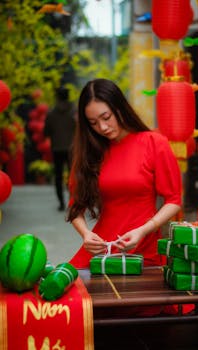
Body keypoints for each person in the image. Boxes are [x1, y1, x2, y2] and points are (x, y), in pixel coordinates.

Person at [67, 78, 182, 268]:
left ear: (119, 108)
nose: (102, 128)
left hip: (142, 249)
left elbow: (174, 200)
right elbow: (75, 207)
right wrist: (86, 234)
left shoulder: (154, 143)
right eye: (93, 123)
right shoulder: (90, 152)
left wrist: (144, 230)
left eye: (106, 117)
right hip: (102, 250)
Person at [44, 87, 76, 211]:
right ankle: (72, 201)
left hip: (57, 148)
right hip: (72, 147)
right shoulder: (74, 111)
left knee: (58, 176)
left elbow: (46, 131)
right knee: (73, 176)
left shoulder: (51, 113)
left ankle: (61, 203)